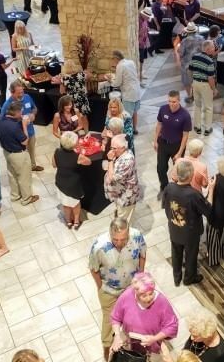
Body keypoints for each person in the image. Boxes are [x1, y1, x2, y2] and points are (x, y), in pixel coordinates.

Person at [90, 217, 147, 360]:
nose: (120, 243)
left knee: (132, 316)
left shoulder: (137, 236)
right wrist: (100, 287)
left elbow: (142, 254)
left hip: (130, 288)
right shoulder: (99, 246)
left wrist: (140, 275)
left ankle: (132, 346)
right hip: (109, 291)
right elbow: (93, 269)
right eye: (115, 239)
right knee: (109, 321)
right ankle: (107, 349)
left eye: (123, 239)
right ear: (110, 233)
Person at [163, 160, 212, 286]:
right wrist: (211, 190)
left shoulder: (169, 188)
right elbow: (208, 211)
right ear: (191, 176)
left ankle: (177, 277)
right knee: (191, 256)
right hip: (190, 233)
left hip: (174, 228)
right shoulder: (194, 194)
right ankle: (189, 278)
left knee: (176, 253)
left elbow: (165, 205)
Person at [110, 272, 178, 358]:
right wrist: (117, 336)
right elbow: (116, 318)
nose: (149, 298)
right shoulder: (127, 295)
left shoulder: (162, 302)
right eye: (144, 295)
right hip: (129, 343)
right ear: (136, 292)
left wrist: (154, 338)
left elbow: (172, 326)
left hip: (152, 349)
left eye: (151, 293)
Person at [0, 101, 39, 206]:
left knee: (12, 175)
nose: (22, 114)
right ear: (17, 112)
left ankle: (15, 195)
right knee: (24, 177)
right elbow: (25, 141)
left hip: (7, 152)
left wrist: (20, 121)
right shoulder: (14, 127)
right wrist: (24, 125)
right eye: (21, 112)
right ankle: (27, 198)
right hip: (18, 154)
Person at [154, 90, 192, 195]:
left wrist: (179, 153)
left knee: (178, 171)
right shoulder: (163, 109)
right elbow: (159, 124)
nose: (171, 104)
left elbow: (185, 135)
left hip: (177, 146)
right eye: (170, 101)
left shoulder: (185, 115)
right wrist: (155, 140)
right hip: (163, 143)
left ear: (179, 100)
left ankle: (177, 190)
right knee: (161, 168)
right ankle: (164, 188)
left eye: (174, 102)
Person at [1, 80, 43, 171]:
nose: (21, 95)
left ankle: (33, 166)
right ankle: (24, 170)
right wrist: (19, 120)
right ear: (12, 92)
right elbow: (3, 122)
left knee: (31, 150)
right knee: (22, 154)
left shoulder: (27, 97)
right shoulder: (7, 105)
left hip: (30, 132)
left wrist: (33, 114)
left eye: (22, 92)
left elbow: (34, 108)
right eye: (18, 93)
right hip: (18, 136)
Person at [53, 131, 90, 229]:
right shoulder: (78, 157)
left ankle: (68, 221)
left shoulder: (57, 151)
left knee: (65, 204)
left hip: (61, 182)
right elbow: (89, 162)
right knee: (75, 204)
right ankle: (76, 221)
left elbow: (54, 165)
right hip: (73, 185)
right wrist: (80, 151)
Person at [105, 134, 141, 223]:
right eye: (111, 147)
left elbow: (112, 178)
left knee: (124, 222)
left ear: (123, 148)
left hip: (125, 198)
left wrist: (110, 160)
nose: (111, 151)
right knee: (120, 213)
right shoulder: (122, 153)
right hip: (119, 194)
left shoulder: (127, 161)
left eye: (114, 148)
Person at [108, 50, 141, 132]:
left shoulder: (120, 65)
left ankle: (128, 132)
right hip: (137, 90)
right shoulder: (131, 62)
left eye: (112, 59)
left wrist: (110, 81)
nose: (112, 60)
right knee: (135, 112)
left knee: (127, 114)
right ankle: (135, 129)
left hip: (129, 93)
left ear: (116, 58)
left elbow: (117, 83)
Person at [189, 40, 216, 135]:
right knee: (208, 107)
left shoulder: (195, 56)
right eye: (213, 47)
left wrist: (193, 81)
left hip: (195, 83)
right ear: (208, 49)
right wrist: (214, 89)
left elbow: (190, 70)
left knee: (197, 105)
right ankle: (207, 129)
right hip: (205, 85)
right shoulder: (210, 61)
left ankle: (197, 127)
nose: (214, 49)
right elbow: (210, 78)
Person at [176, 22, 205, 103]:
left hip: (187, 65)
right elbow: (204, 50)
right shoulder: (202, 38)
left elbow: (181, 53)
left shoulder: (185, 41)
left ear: (187, 31)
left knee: (187, 82)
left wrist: (178, 50)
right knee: (198, 80)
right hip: (199, 63)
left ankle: (190, 96)